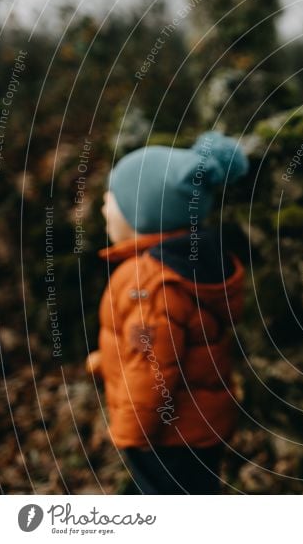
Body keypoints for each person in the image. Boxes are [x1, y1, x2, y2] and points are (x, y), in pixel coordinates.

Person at [86, 132, 248, 494]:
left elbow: (153, 367)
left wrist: (131, 434)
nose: (101, 209)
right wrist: (107, 360)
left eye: (109, 201)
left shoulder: (149, 282)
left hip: (166, 437)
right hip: (198, 427)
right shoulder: (189, 264)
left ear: (142, 214)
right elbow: (164, 345)